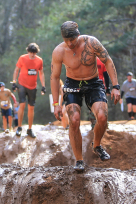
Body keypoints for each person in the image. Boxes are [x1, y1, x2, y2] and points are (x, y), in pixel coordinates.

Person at [51, 21, 121, 172]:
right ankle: (79, 160)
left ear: (78, 35)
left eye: (73, 40)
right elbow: (55, 77)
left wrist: (115, 86)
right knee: (74, 120)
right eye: (66, 40)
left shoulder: (91, 42)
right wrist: (56, 103)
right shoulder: (59, 51)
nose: (70, 43)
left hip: (93, 82)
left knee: (102, 117)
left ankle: (96, 145)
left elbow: (107, 61)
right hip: (72, 84)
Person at [12, 42, 46, 138]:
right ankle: (19, 127)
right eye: (30, 52)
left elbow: (41, 73)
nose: (32, 55)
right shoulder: (22, 58)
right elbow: (16, 70)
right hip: (22, 84)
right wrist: (14, 83)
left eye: (34, 53)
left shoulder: (39, 60)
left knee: (31, 107)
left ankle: (30, 129)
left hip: (32, 87)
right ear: (28, 51)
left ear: (36, 53)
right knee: (22, 104)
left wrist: (43, 86)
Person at [88, 58, 111, 129]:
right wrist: (108, 88)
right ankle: (105, 125)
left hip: (90, 87)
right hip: (100, 87)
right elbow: (106, 75)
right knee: (102, 106)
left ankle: (93, 126)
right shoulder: (102, 61)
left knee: (92, 107)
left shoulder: (87, 61)